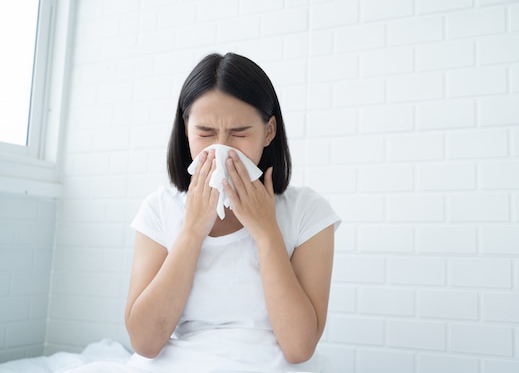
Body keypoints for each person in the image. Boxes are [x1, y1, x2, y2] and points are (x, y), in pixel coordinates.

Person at [68, 53, 340, 373]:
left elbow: (299, 348)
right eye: (206, 133)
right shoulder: (160, 208)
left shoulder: (307, 211)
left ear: (269, 132)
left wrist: (266, 232)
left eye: (239, 133)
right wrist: (193, 230)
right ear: (186, 130)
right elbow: (144, 341)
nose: (221, 148)